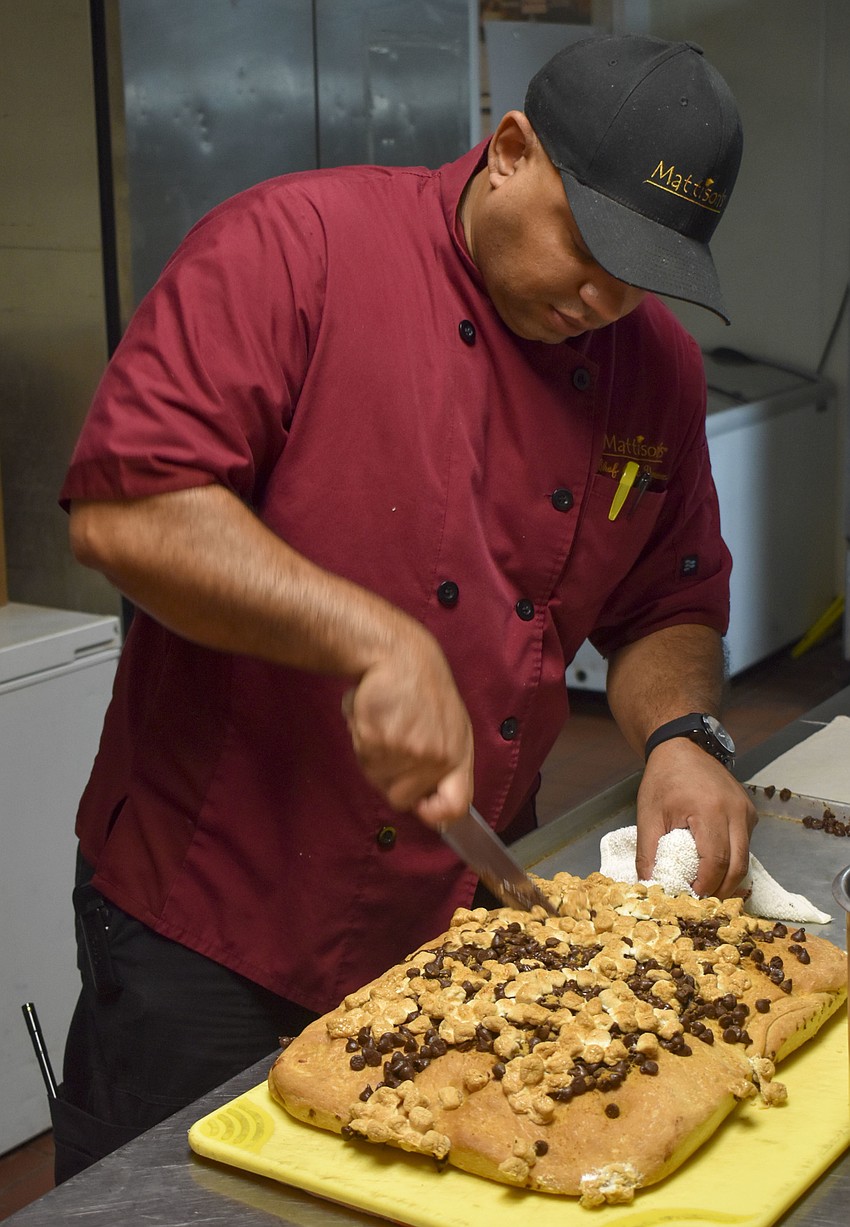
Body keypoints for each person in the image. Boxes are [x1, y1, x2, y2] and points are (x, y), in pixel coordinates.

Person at [54, 33, 757, 1180]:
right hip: (219, 908)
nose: (606, 297)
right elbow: (126, 506)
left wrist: (678, 735)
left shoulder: (655, 367)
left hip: (468, 912)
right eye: (592, 246)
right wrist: (368, 636)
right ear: (511, 152)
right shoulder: (294, 249)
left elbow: (668, 600)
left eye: (645, 271)